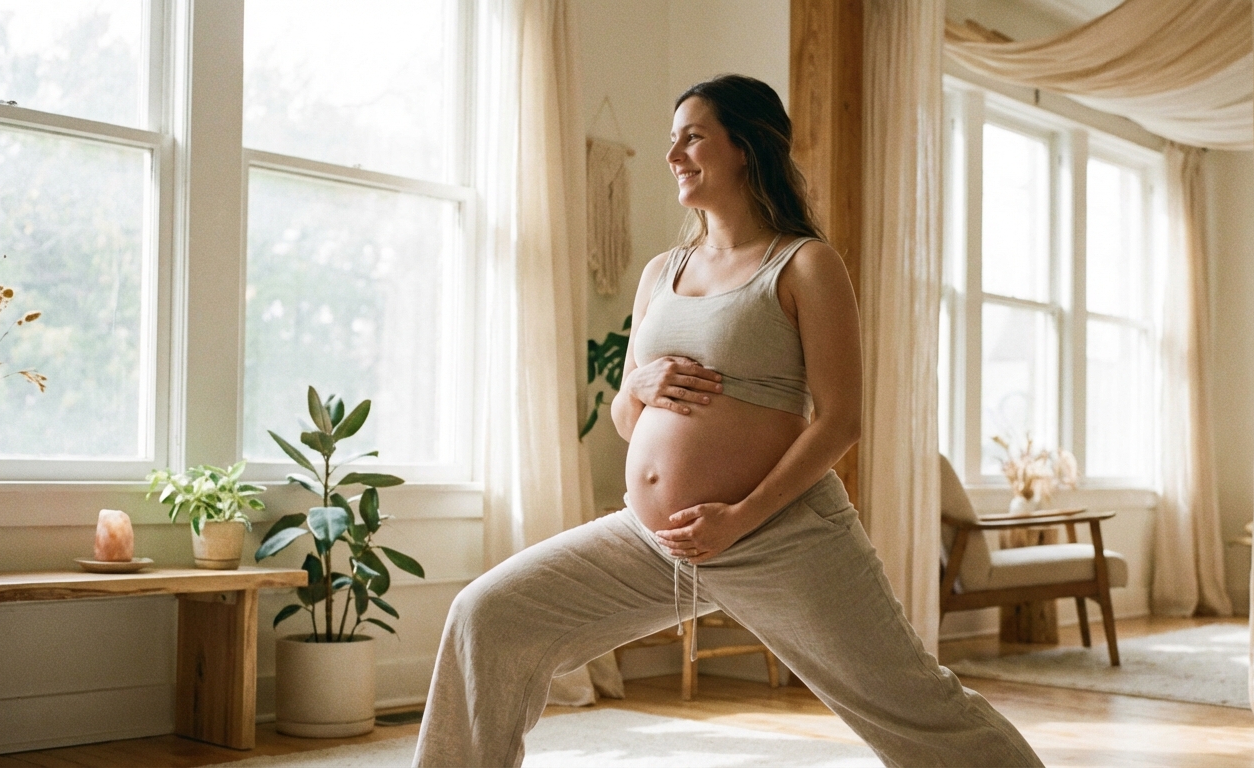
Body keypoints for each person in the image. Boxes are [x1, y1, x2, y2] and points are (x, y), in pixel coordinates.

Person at [413, 74, 1042, 768]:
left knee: (916, 705)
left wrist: (738, 517)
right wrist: (641, 387)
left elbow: (839, 423)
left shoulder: (804, 264)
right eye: (671, 141)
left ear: (743, 147)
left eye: (692, 137)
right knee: (487, 617)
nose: (673, 155)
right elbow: (628, 419)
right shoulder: (661, 272)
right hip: (654, 540)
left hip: (783, 538)